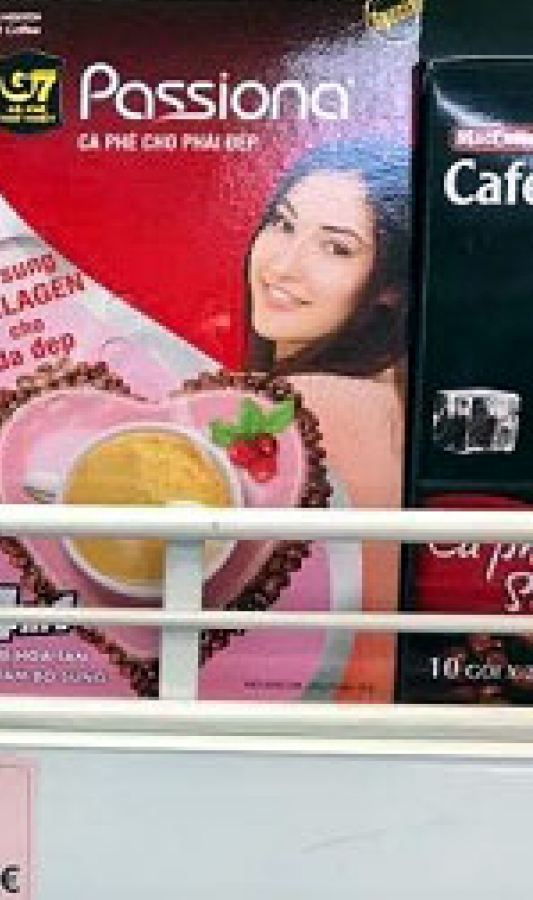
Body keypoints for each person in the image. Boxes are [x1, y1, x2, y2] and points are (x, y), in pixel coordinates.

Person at [243, 139, 410, 697]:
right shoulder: (386, 396)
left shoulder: (297, 407)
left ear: (390, 288)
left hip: (293, 703)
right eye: (283, 224)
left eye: (336, 248)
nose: (283, 267)